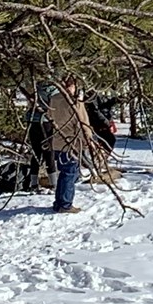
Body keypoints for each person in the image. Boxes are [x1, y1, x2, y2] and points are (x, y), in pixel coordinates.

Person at [47, 75, 94, 214]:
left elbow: (50, 116)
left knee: (64, 173)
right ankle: (66, 204)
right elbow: (83, 125)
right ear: (72, 86)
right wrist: (88, 142)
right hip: (72, 143)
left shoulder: (54, 100)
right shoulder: (75, 103)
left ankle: (59, 202)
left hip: (57, 142)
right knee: (70, 173)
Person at [24, 79, 57, 193]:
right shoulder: (54, 91)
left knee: (36, 152)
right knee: (49, 152)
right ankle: (54, 183)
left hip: (32, 121)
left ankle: (33, 183)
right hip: (46, 122)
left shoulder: (34, 87)